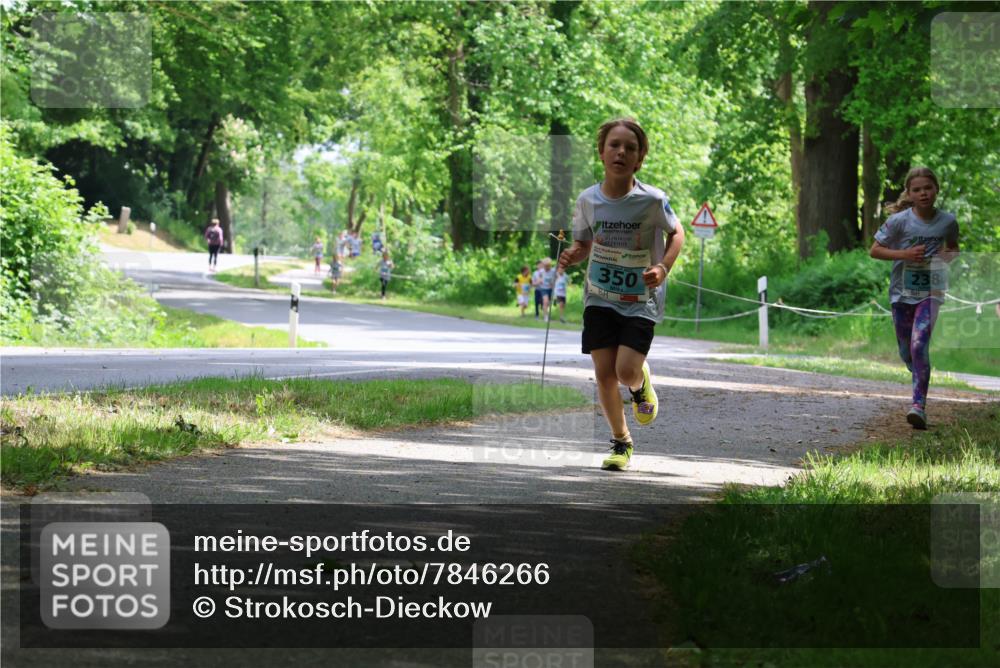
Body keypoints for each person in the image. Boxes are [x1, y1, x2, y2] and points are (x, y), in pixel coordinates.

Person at [558, 118, 685, 471]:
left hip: (640, 299)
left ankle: (640, 381)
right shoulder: (588, 200)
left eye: (630, 148)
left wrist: (663, 268)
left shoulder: (652, 200)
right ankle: (621, 441)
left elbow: (678, 234)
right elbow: (584, 244)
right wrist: (573, 254)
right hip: (599, 296)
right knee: (604, 373)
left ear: (640, 158)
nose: (621, 152)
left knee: (626, 370)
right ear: (601, 152)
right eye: (614, 145)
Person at [870, 166, 959, 430]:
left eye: (928, 188)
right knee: (906, 350)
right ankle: (917, 369)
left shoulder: (948, 221)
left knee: (919, 345)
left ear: (936, 190)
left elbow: (953, 249)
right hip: (901, 293)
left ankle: (918, 406)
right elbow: (874, 250)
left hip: (931, 292)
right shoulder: (899, 221)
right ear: (909, 193)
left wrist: (945, 258)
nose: (923, 194)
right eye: (917, 189)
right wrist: (905, 255)